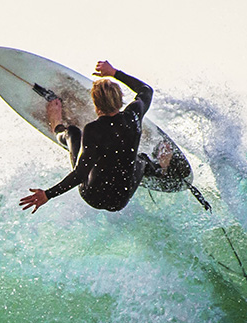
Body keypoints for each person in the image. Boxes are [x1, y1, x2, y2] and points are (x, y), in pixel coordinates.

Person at [19, 60, 168, 213]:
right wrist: (114, 73)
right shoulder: (133, 115)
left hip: (94, 197)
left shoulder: (93, 130)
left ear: (95, 104)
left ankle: (56, 125)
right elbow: (146, 90)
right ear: (120, 98)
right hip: (122, 198)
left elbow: (80, 174)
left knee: (72, 133)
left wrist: (48, 194)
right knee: (141, 159)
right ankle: (158, 168)